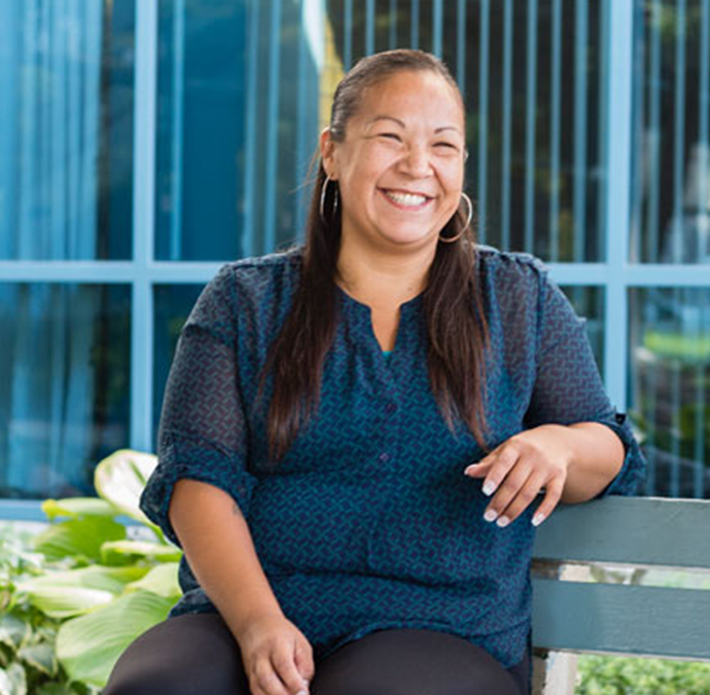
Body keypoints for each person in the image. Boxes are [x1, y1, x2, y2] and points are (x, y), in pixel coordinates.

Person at [103, 49, 646, 695]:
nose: (419, 166)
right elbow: (198, 480)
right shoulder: (244, 301)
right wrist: (257, 624)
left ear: (462, 166)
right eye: (391, 137)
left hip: (443, 629)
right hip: (246, 613)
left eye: (444, 146)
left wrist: (560, 444)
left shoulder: (518, 300)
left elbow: (610, 447)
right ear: (332, 152)